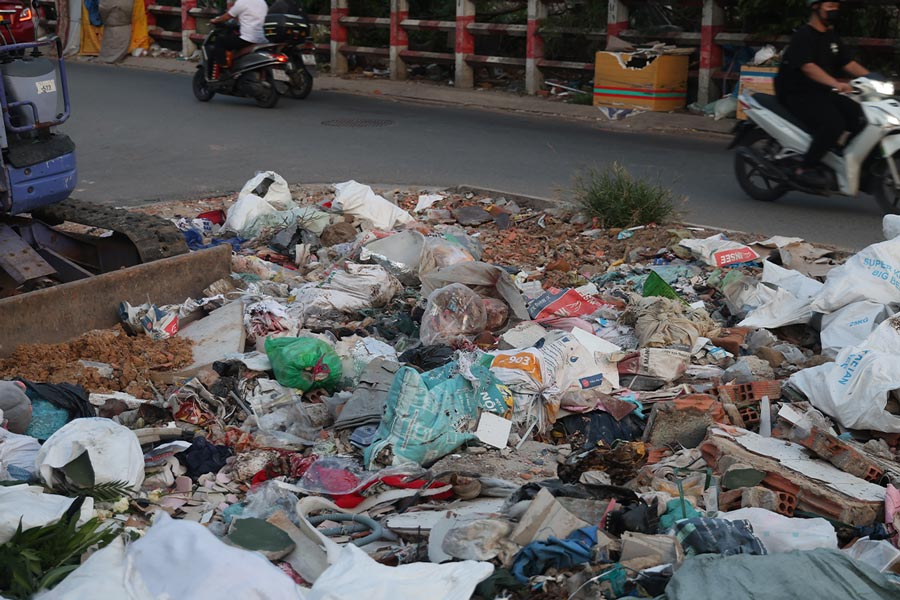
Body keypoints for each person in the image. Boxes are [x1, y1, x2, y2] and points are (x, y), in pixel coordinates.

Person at [775, 0, 869, 187]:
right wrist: (836, 83)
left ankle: (837, 157)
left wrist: (873, 78)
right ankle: (806, 167)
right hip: (798, 93)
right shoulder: (803, 36)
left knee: (861, 117)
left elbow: (848, 63)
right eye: (829, 5)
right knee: (834, 123)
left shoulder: (831, 37)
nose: (834, 9)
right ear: (816, 7)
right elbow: (808, 67)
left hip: (822, 92)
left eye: (836, 6)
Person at [208, 0, 269, 79]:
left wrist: (215, 20)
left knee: (220, 41)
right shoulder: (262, 2)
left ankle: (225, 69)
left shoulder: (242, 2)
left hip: (247, 38)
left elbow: (227, 16)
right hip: (262, 39)